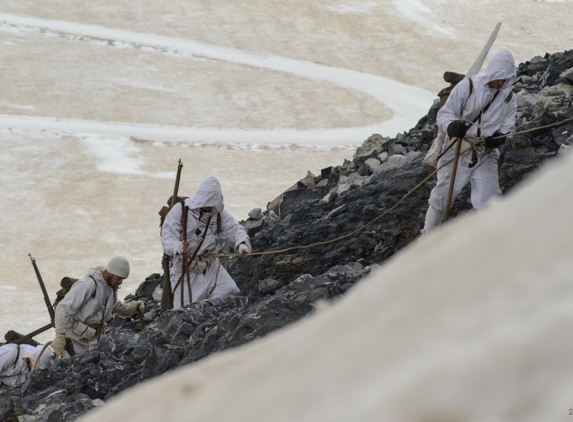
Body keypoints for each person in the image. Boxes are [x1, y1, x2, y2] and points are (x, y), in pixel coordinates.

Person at [422, 49, 517, 233]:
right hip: (456, 149)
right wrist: (452, 127)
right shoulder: (467, 87)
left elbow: (509, 126)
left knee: (489, 201)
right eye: (500, 77)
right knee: (442, 198)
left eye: (505, 79)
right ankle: (426, 240)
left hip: (485, 153)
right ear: (494, 71)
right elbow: (445, 114)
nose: (501, 82)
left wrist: (500, 137)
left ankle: (486, 243)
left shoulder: (508, 97)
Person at [161, 176, 251, 308]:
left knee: (229, 290)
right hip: (185, 266)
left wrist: (241, 244)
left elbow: (234, 229)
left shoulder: (218, 214)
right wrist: (178, 247)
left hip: (210, 265)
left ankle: (209, 313)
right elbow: (167, 236)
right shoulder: (180, 210)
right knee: (183, 309)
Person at [51, 256, 144, 356]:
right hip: (76, 339)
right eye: (119, 278)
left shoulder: (110, 287)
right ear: (111, 273)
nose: (120, 282)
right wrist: (60, 336)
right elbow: (63, 308)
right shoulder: (87, 284)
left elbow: (112, 306)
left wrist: (129, 308)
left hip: (94, 337)